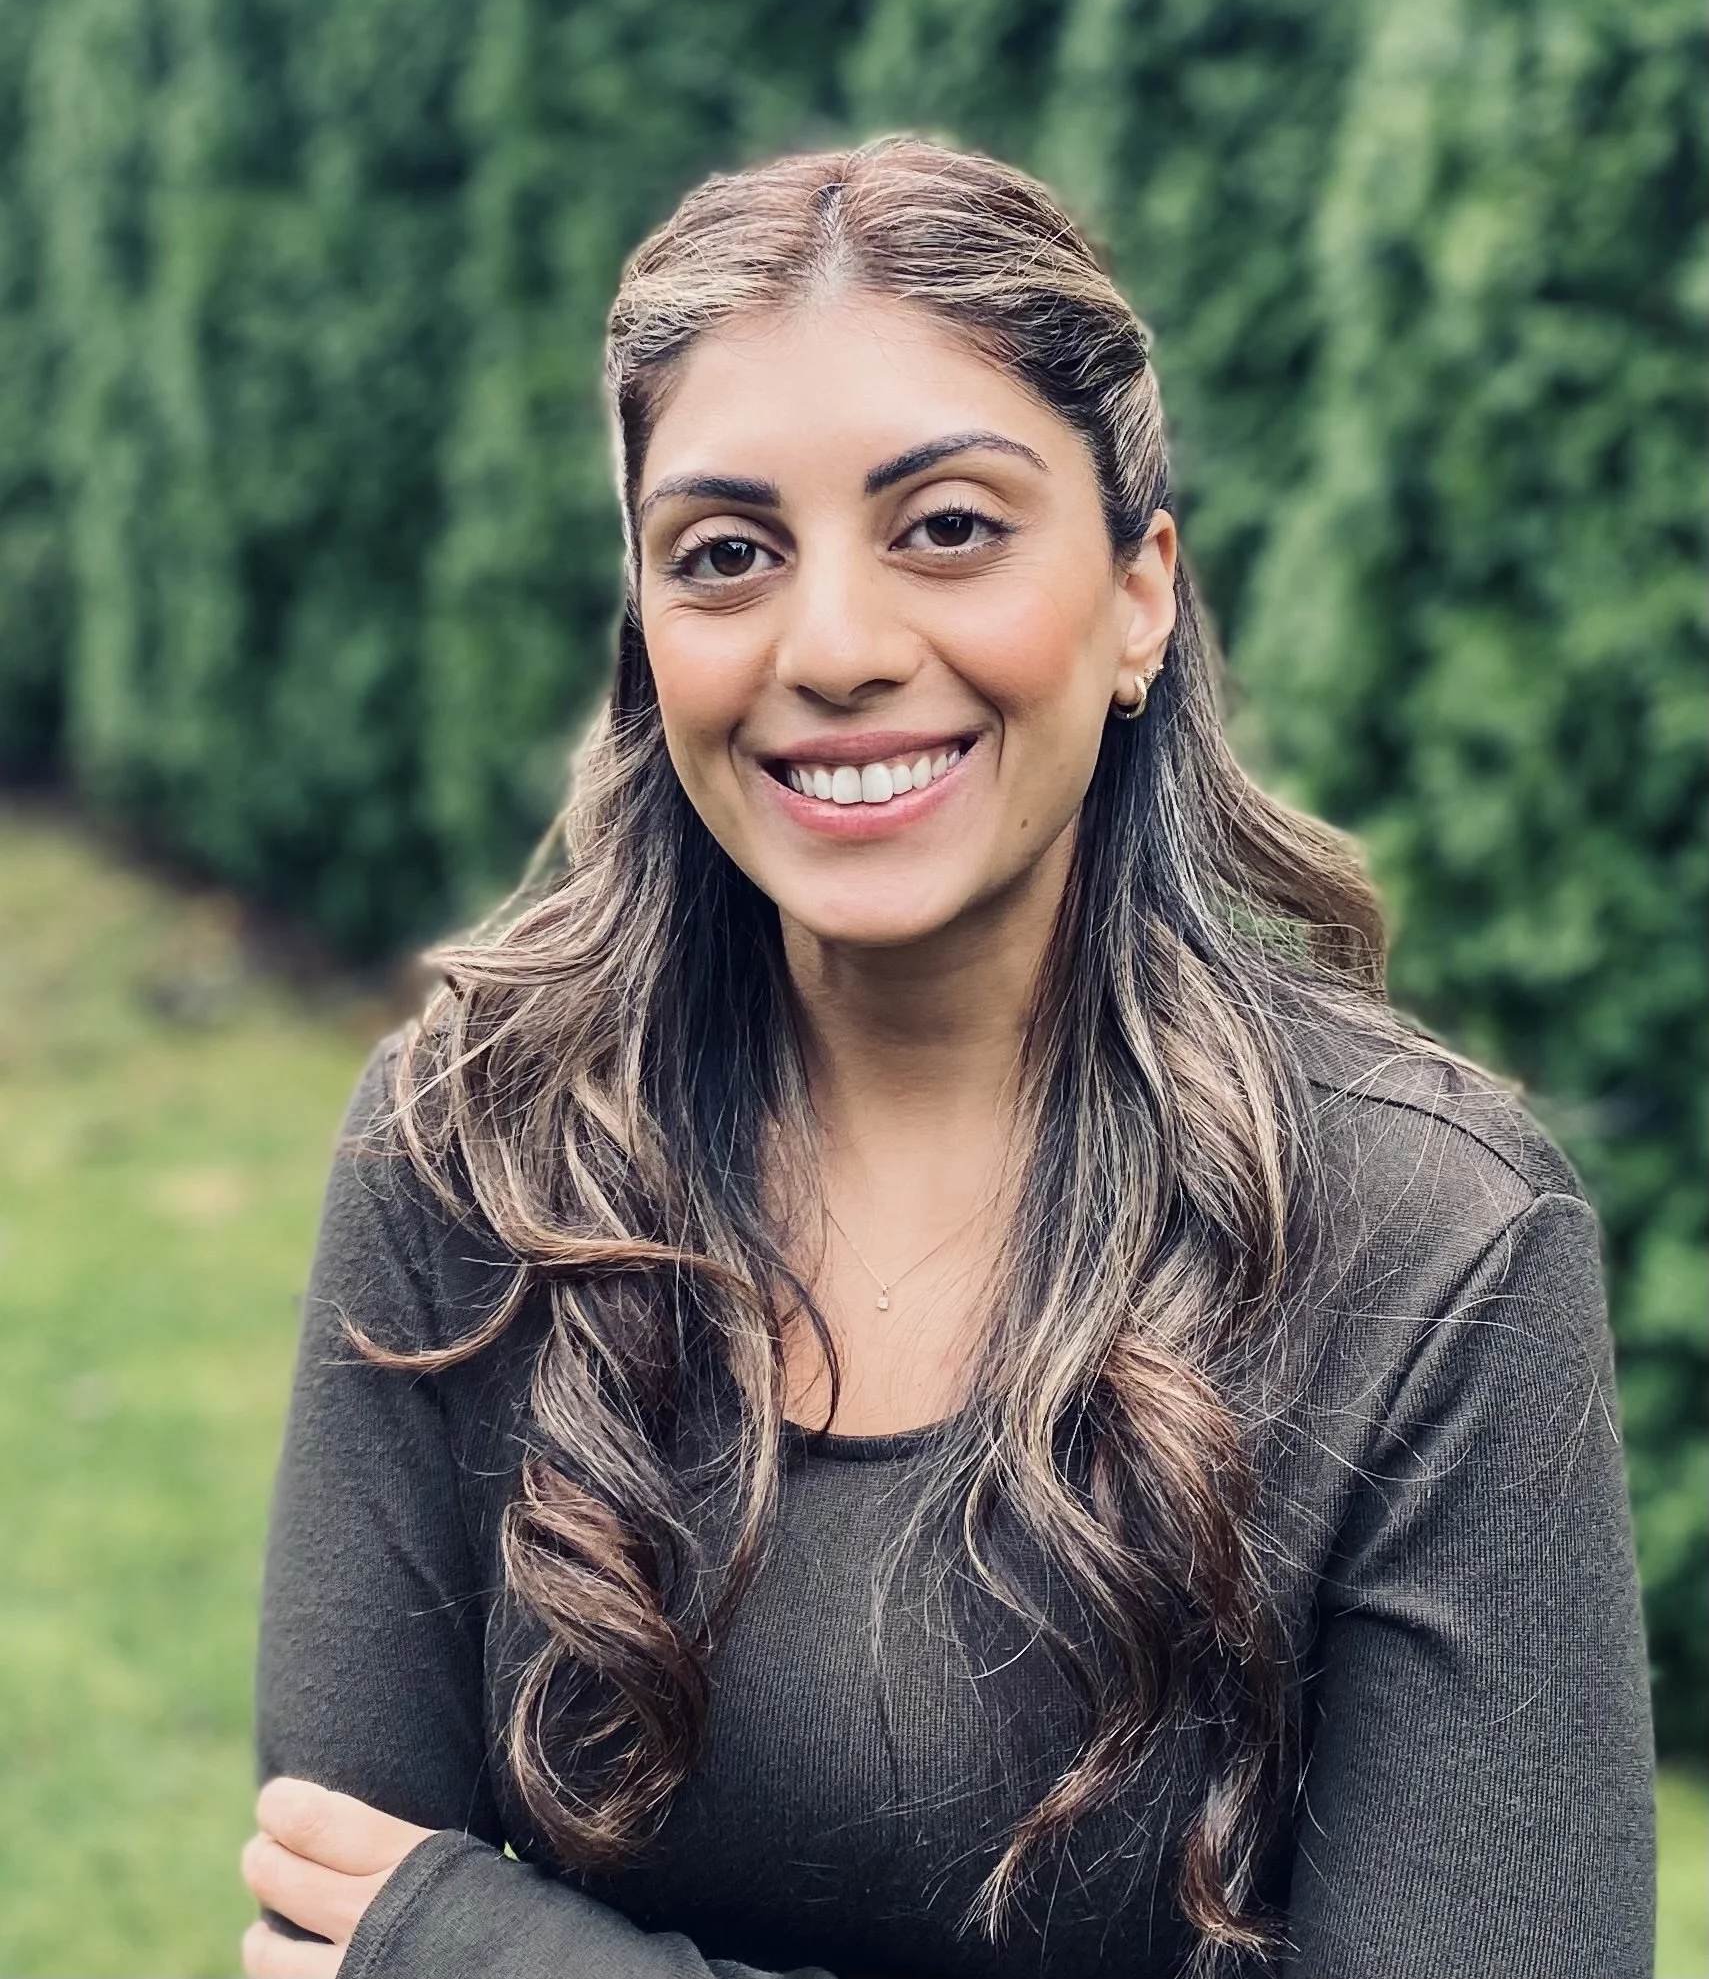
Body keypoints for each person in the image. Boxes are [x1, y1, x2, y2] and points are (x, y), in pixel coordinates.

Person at [240, 138, 1654, 1979]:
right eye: (726, 555)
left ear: (1141, 592)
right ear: (648, 629)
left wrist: (514, 1959)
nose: (832, 648)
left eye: (949, 528)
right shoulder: (470, 1161)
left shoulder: (1429, 1249)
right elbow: (323, 1922)